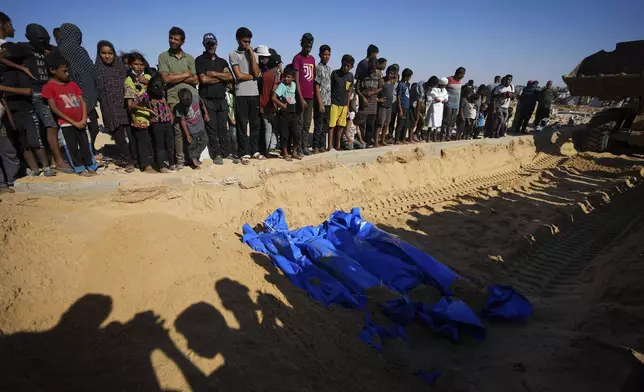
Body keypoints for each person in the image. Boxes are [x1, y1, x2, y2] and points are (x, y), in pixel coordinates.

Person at [1, 24, 73, 172]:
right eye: (39, 39)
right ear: (30, 38)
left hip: (52, 91)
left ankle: (55, 160)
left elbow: (62, 66)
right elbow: (1, 55)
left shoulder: (52, 49)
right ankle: (57, 162)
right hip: (37, 93)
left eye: (45, 39)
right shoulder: (21, 48)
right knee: (50, 126)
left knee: (55, 126)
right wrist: (20, 67)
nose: (43, 42)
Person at [41, 54, 97, 175]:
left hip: (82, 121)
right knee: (72, 147)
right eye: (64, 71)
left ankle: (91, 166)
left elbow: (82, 102)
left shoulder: (73, 84)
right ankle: (79, 168)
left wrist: (82, 119)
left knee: (86, 144)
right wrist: (73, 122)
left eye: (68, 71)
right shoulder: (49, 87)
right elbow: (53, 107)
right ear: (52, 70)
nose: (67, 74)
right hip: (66, 124)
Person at [158, 26, 198, 170]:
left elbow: (195, 80)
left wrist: (176, 77)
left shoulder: (189, 58)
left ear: (182, 42)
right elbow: (166, 79)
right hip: (174, 97)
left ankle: (193, 157)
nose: (172, 41)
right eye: (171, 38)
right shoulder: (163, 56)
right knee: (178, 130)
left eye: (176, 39)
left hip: (192, 96)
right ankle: (180, 160)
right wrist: (185, 75)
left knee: (193, 127)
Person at [1, 68, 54, 176]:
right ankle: (34, 169)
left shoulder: (17, 72)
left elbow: (28, 91)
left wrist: (3, 88)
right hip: (12, 113)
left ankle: (46, 167)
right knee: (23, 143)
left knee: (35, 140)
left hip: (27, 110)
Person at [57, 23, 100, 155]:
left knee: (87, 127)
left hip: (72, 95)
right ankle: (86, 152)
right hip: (77, 95)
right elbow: (92, 71)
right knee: (90, 128)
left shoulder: (58, 51)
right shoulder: (77, 50)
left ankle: (85, 152)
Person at [95, 41, 136, 170]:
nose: (107, 56)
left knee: (132, 135)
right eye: (103, 53)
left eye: (110, 53)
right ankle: (127, 160)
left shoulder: (123, 68)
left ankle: (137, 158)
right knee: (118, 137)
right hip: (109, 108)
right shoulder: (96, 71)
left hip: (125, 106)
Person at [195, 32, 234, 165]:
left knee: (223, 127)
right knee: (212, 128)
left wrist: (213, 74)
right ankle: (217, 154)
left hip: (221, 98)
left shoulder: (222, 61)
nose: (211, 46)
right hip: (207, 99)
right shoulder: (199, 60)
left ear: (217, 44)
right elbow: (203, 80)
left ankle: (226, 153)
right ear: (204, 44)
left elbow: (230, 78)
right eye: (208, 44)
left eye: (213, 43)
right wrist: (221, 77)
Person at [229, 27, 262, 164]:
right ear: (238, 39)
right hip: (241, 94)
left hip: (254, 94)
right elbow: (239, 75)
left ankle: (254, 150)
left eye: (249, 42)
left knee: (255, 124)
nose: (247, 44)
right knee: (242, 125)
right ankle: (244, 152)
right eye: (244, 41)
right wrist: (253, 76)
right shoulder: (233, 54)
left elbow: (256, 71)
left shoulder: (254, 55)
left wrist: (251, 56)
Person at [124, 52, 155, 173]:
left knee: (150, 140)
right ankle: (146, 166)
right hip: (139, 115)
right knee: (142, 141)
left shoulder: (147, 78)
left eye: (141, 64)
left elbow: (157, 88)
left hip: (152, 115)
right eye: (136, 64)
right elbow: (130, 104)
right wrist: (134, 120)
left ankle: (151, 162)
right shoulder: (128, 81)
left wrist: (148, 83)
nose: (139, 67)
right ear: (131, 65)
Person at [145, 73, 174, 172]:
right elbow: (134, 105)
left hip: (167, 122)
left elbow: (166, 105)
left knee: (170, 145)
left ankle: (172, 164)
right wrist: (148, 110)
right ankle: (161, 166)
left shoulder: (162, 93)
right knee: (159, 146)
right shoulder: (147, 95)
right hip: (156, 123)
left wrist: (170, 115)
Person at [292, 33, 315, 156]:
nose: (308, 49)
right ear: (302, 45)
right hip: (300, 96)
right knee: (299, 124)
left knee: (307, 123)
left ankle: (305, 146)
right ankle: (298, 148)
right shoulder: (297, 58)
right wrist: (300, 97)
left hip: (310, 96)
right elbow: (296, 80)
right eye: (306, 46)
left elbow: (312, 78)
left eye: (310, 46)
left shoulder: (312, 59)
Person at [272, 65, 301, 162]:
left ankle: (294, 152)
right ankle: (285, 153)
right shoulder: (282, 86)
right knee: (284, 135)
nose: (286, 79)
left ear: (293, 78)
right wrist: (282, 105)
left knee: (297, 134)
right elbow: (274, 98)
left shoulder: (294, 85)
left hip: (293, 113)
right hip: (284, 114)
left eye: (289, 77)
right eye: (285, 76)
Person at [175, 88, 209, 169]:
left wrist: (206, 113)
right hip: (191, 129)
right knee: (192, 146)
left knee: (205, 140)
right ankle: (194, 160)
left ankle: (195, 157)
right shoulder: (179, 107)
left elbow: (202, 104)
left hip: (200, 125)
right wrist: (187, 134)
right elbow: (182, 121)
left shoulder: (196, 98)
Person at [355, 57, 383, 147]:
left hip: (373, 100)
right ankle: (361, 140)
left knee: (371, 122)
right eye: (371, 67)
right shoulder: (363, 73)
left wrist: (374, 92)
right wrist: (363, 98)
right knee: (362, 121)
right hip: (363, 99)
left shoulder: (379, 74)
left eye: (374, 67)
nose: (373, 69)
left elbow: (381, 87)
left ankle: (368, 141)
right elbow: (357, 89)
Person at [328, 55, 354, 151]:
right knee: (332, 126)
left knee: (341, 126)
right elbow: (330, 88)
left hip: (344, 105)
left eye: (348, 66)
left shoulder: (350, 76)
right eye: (345, 65)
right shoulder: (335, 73)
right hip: (334, 103)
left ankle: (338, 145)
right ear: (341, 63)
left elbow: (349, 92)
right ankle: (330, 146)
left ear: (351, 67)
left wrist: (347, 106)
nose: (346, 68)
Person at [258, 52, 280, 156]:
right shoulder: (276, 76)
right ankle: (272, 148)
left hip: (263, 105)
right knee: (275, 129)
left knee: (267, 130)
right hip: (273, 107)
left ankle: (266, 151)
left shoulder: (263, 75)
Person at [312, 45, 331, 153]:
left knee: (325, 126)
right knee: (318, 125)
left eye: (328, 54)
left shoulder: (329, 69)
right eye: (325, 54)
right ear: (320, 55)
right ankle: (315, 146)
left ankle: (322, 146)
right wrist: (320, 103)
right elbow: (316, 87)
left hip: (328, 101)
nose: (327, 57)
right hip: (321, 102)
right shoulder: (318, 68)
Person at [442, 66, 465, 141]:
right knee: (446, 121)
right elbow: (442, 89)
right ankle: (443, 136)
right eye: (462, 74)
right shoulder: (448, 79)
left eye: (464, 75)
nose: (462, 76)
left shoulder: (459, 82)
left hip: (456, 105)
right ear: (457, 73)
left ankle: (448, 136)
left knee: (452, 122)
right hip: (448, 104)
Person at [376, 65, 396, 146]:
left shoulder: (392, 82)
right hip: (382, 106)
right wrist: (378, 100)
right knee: (380, 124)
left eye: (391, 74)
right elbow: (376, 92)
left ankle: (383, 141)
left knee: (386, 124)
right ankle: (376, 142)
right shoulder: (382, 81)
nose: (389, 75)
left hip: (389, 106)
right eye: (388, 73)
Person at [427, 77, 448, 142]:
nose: (444, 86)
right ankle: (428, 138)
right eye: (443, 85)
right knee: (430, 124)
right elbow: (435, 98)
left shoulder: (444, 90)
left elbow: (446, 98)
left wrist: (442, 99)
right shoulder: (434, 89)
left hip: (440, 109)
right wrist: (441, 99)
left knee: (437, 124)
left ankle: (434, 138)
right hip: (433, 108)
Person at [394, 68, 412, 144]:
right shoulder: (400, 85)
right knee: (400, 124)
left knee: (406, 124)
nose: (410, 78)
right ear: (406, 76)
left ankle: (403, 138)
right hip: (403, 107)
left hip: (407, 107)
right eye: (409, 76)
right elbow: (398, 97)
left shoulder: (407, 84)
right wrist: (400, 109)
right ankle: (397, 139)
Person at [225, 84, 237, 155]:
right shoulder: (226, 94)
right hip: (232, 118)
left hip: (239, 118)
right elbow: (226, 109)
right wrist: (230, 119)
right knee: (233, 137)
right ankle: (235, 152)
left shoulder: (238, 94)